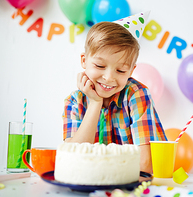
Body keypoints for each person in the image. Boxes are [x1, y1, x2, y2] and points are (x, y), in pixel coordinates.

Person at [62, 13, 167, 173]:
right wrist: (95, 103)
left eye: (121, 70)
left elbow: (145, 165)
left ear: (131, 71)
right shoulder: (74, 102)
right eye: (99, 66)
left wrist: (98, 169)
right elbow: (72, 160)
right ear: (84, 60)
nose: (109, 77)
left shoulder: (136, 94)